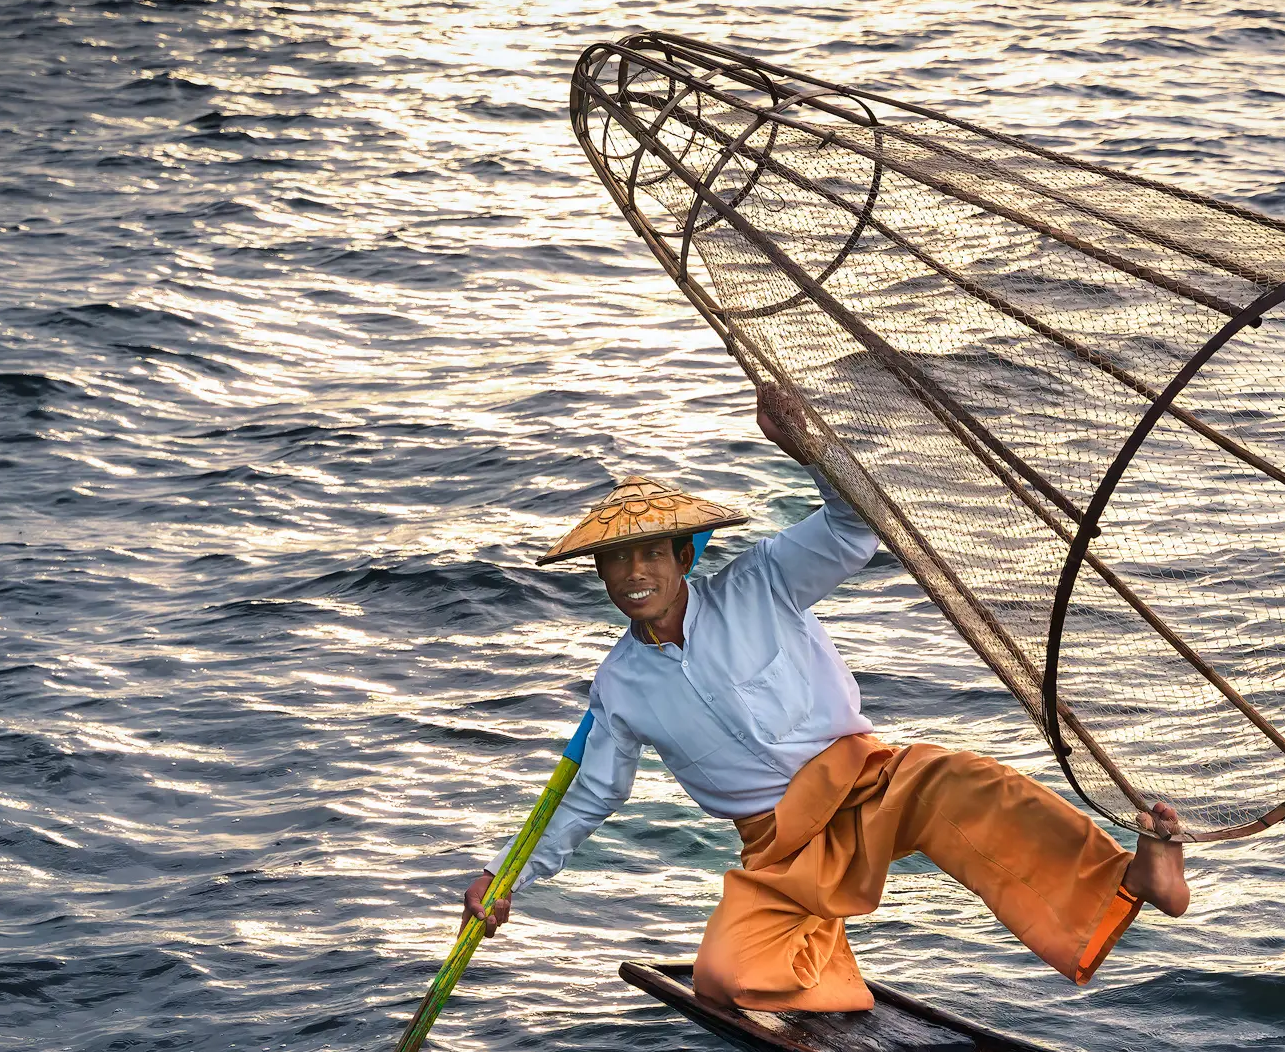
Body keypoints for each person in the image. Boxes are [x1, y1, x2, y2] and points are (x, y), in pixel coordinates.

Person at [461, 384, 1187, 1013]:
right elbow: (587, 797)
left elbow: (852, 525)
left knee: (966, 785)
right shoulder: (617, 686)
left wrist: (809, 449)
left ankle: (1132, 875)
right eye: (616, 560)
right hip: (775, 847)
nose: (634, 573)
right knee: (725, 979)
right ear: (602, 577)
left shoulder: (761, 584)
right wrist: (507, 878)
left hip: (864, 782)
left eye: (652, 553)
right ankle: (830, 979)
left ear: (686, 557)